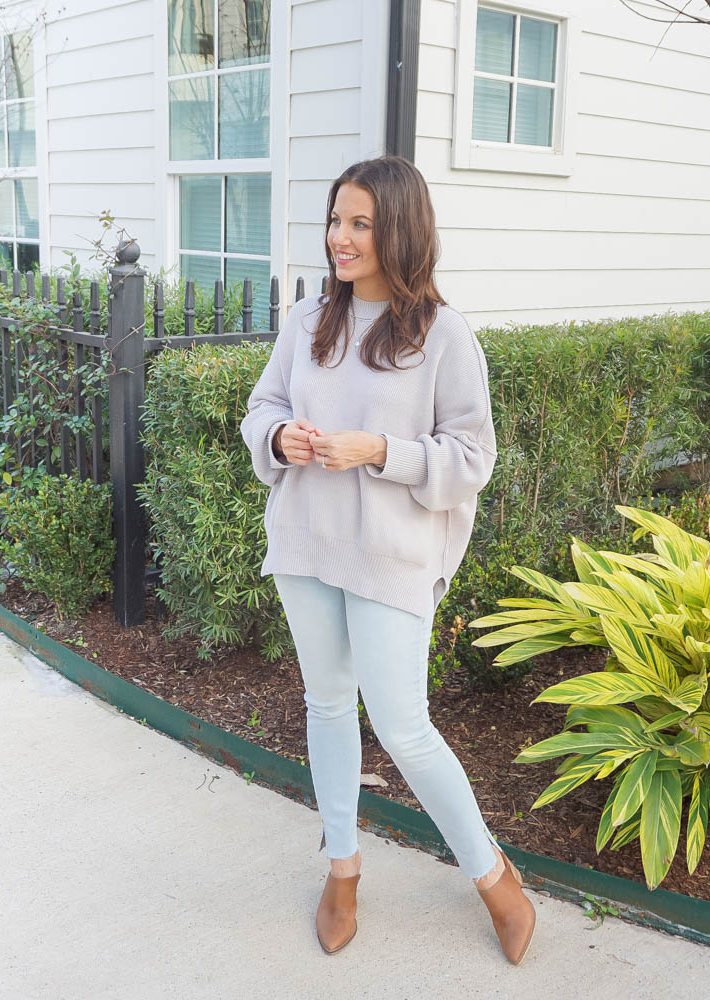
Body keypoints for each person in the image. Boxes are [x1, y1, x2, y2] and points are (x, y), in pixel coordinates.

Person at [240, 155, 536, 965]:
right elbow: (261, 406)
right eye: (337, 220)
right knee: (328, 705)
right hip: (307, 545)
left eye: (360, 223)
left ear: (399, 229)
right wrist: (277, 436)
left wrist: (382, 451)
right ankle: (342, 869)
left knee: (403, 725)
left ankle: (492, 874)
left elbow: (472, 457)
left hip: (392, 556)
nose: (341, 237)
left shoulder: (443, 334)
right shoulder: (306, 322)